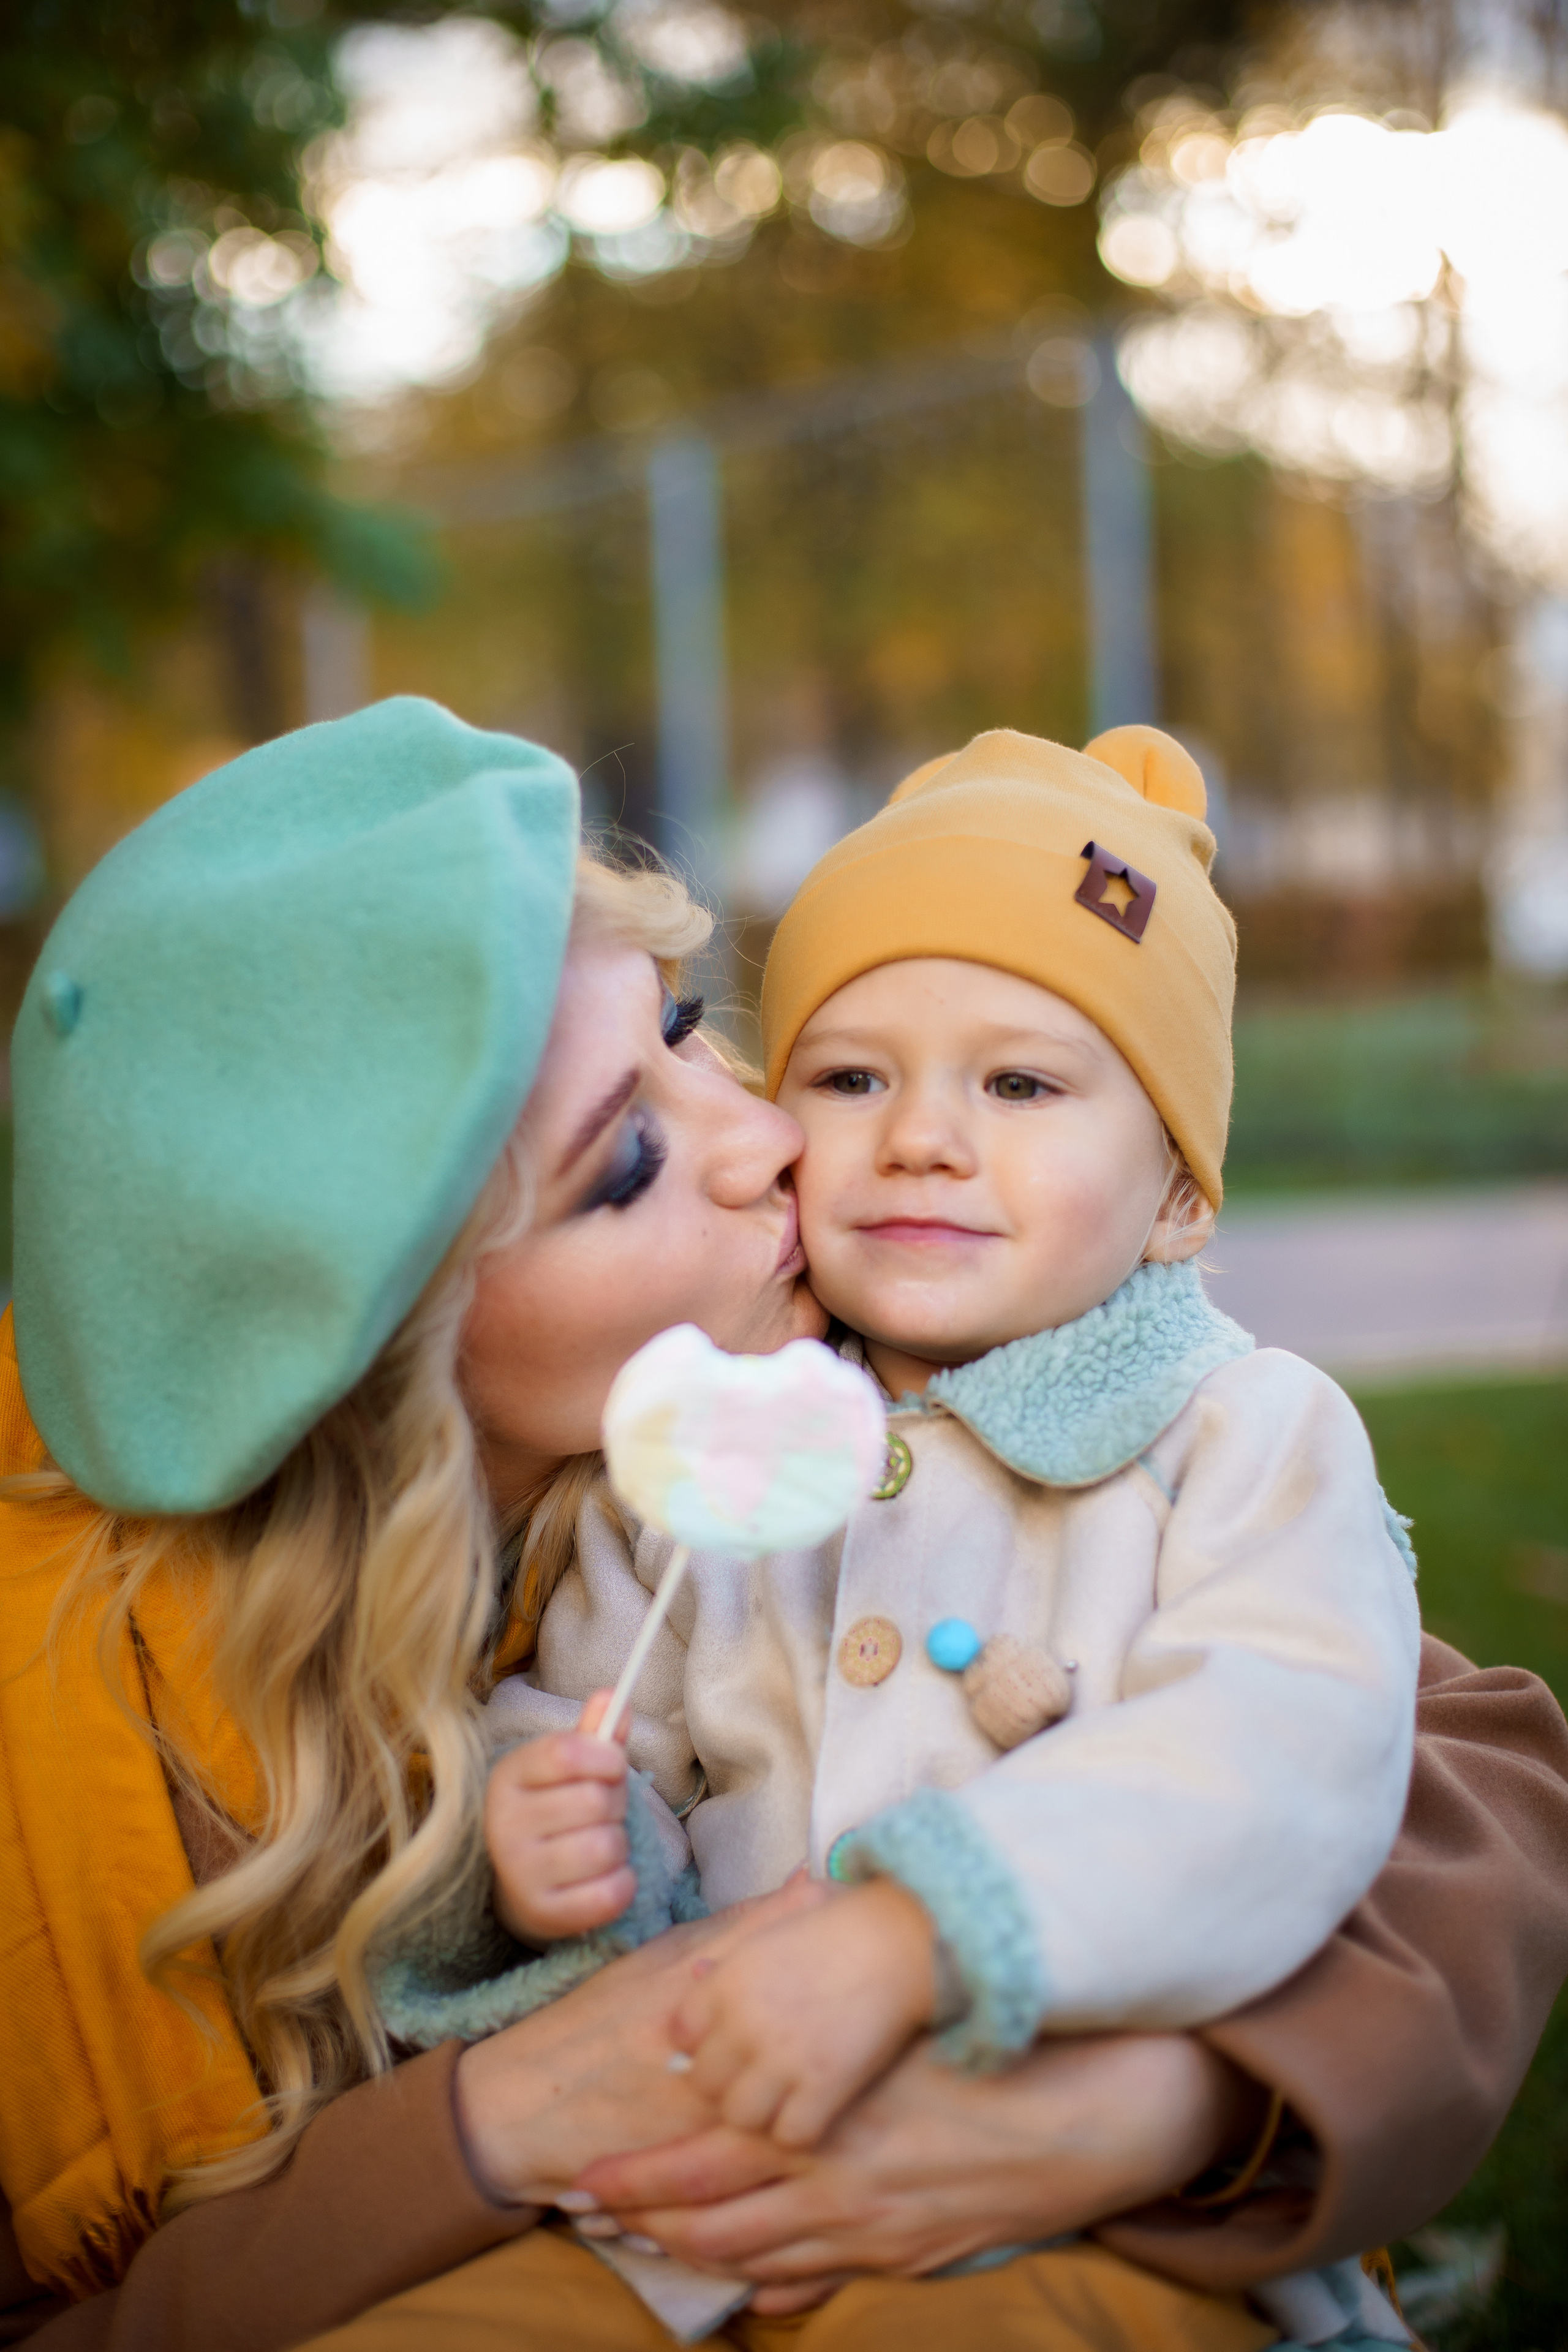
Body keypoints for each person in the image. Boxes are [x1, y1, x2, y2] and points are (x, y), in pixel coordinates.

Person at [0, 698, 1564, 2352]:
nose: (776, 1139)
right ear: (375, 1370)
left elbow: (1424, 1750)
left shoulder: (867, 1379)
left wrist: (1157, 2108)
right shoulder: (89, 1754)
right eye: (626, 1167)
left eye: (688, 1030)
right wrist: (496, 2078)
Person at [477, 725, 1418, 2182]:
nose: (919, 1136)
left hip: (1049, 2196)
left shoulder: (1242, 1438)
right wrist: (553, 1827)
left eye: (1019, 1088)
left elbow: (1278, 1752)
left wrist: (925, 1933)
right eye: (849, 1079)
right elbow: (589, 1721)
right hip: (705, 2176)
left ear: (1176, 1196)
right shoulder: (711, 1452)